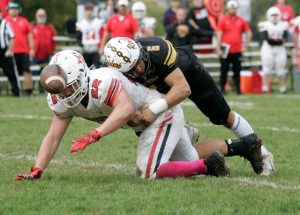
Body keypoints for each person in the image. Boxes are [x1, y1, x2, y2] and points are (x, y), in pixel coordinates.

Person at [14, 50, 232, 181]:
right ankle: (238, 147)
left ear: (81, 74)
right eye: (61, 91)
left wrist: (95, 134)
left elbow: (125, 110)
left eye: (69, 87)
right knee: (189, 161)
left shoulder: (102, 82)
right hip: (143, 124)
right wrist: (37, 169)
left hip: (158, 114)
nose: (66, 94)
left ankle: (208, 164)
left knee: (148, 172)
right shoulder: (61, 98)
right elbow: (53, 137)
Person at [103, 36, 275, 176]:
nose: (139, 70)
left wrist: (153, 110)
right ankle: (183, 131)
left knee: (222, 116)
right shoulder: (116, 74)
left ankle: (262, 153)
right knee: (175, 155)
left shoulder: (156, 49)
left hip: (187, 73)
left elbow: (182, 89)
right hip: (157, 90)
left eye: (138, 62)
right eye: (132, 70)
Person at [216, 0, 252, 95]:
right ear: (227, 8)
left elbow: (248, 31)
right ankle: (222, 90)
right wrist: (218, 48)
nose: (232, 9)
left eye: (234, 8)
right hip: (225, 49)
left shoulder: (241, 20)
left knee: (237, 71)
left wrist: (246, 45)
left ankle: (238, 90)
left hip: (237, 50)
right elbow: (219, 34)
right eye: (231, 7)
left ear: (236, 8)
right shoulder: (223, 20)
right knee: (224, 70)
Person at [5, 2, 34, 96]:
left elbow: (29, 34)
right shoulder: (5, 21)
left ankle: (29, 91)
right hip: (10, 51)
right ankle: (13, 91)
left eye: (16, 8)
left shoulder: (24, 21)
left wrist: (32, 48)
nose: (14, 10)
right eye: (12, 8)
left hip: (24, 51)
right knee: (11, 72)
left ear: (19, 10)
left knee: (27, 71)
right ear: (8, 10)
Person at [259, 7, 288, 94]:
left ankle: (282, 89)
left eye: (276, 15)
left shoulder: (284, 24)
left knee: (281, 69)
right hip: (268, 49)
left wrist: (278, 41)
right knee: (266, 69)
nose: (275, 17)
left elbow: (285, 38)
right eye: (273, 15)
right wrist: (279, 41)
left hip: (280, 50)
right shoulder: (265, 24)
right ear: (269, 16)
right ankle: (264, 88)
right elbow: (267, 39)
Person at [32, 8, 57, 94]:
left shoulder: (50, 27)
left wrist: (53, 50)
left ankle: (42, 90)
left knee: (45, 74)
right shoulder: (32, 27)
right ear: (36, 16)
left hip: (46, 55)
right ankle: (31, 91)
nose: (41, 17)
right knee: (34, 73)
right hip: (35, 55)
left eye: (43, 15)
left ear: (45, 16)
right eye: (40, 15)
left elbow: (55, 40)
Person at [76, 3, 104, 69]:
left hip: (96, 51)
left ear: (93, 11)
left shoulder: (98, 22)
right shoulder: (81, 24)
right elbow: (79, 37)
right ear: (85, 11)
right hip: (86, 51)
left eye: (90, 10)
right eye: (87, 10)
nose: (89, 12)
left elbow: (102, 36)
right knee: (85, 70)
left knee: (98, 69)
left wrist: (101, 47)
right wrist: (81, 45)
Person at [0, 9, 20, 96]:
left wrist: (10, 49)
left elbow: (13, 37)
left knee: (10, 73)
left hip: (4, 51)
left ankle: (16, 92)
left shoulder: (5, 23)